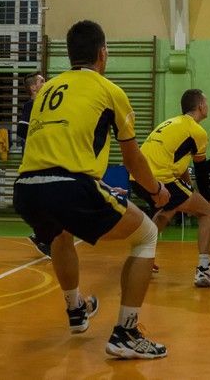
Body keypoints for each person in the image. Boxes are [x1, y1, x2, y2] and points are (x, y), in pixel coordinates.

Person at [13, 20, 171, 359]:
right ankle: (126, 333)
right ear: (103, 53)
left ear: (70, 54)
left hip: (25, 189)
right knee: (146, 234)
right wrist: (157, 190)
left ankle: (76, 309)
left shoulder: (47, 91)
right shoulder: (109, 91)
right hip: (69, 187)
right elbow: (132, 159)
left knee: (61, 233)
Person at [130, 89, 210, 287]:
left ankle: (140, 258)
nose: (208, 106)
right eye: (206, 102)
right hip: (161, 179)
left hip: (137, 178)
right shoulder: (197, 132)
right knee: (208, 213)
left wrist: (191, 194)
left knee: (166, 213)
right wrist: (206, 200)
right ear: (200, 106)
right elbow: (201, 171)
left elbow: (181, 166)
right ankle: (204, 271)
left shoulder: (171, 123)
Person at [16, 71, 51, 257]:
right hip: (35, 161)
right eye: (42, 81)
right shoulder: (31, 106)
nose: (46, 82)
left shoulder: (46, 105)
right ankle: (42, 237)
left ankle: (42, 236)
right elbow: (22, 131)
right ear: (33, 87)